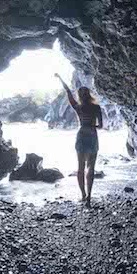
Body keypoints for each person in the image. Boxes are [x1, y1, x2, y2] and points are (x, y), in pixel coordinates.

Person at [54, 73, 103, 207]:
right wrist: (92, 125)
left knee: (80, 167)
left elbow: (68, 92)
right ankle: (89, 197)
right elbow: (101, 125)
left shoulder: (78, 107)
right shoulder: (96, 108)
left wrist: (60, 78)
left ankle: (82, 194)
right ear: (89, 94)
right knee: (91, 168)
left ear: (80, 96)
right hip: (92, 135)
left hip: (81, 134)